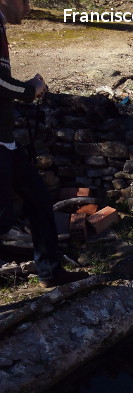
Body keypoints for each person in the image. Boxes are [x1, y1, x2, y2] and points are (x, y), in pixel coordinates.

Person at [0, 0, 88, 288]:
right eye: (24, 1)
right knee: (2, 218)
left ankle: (50, 272)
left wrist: (26, 87)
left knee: (39, 200)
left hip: (6, 141)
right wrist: (30, 90)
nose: (28, 7)